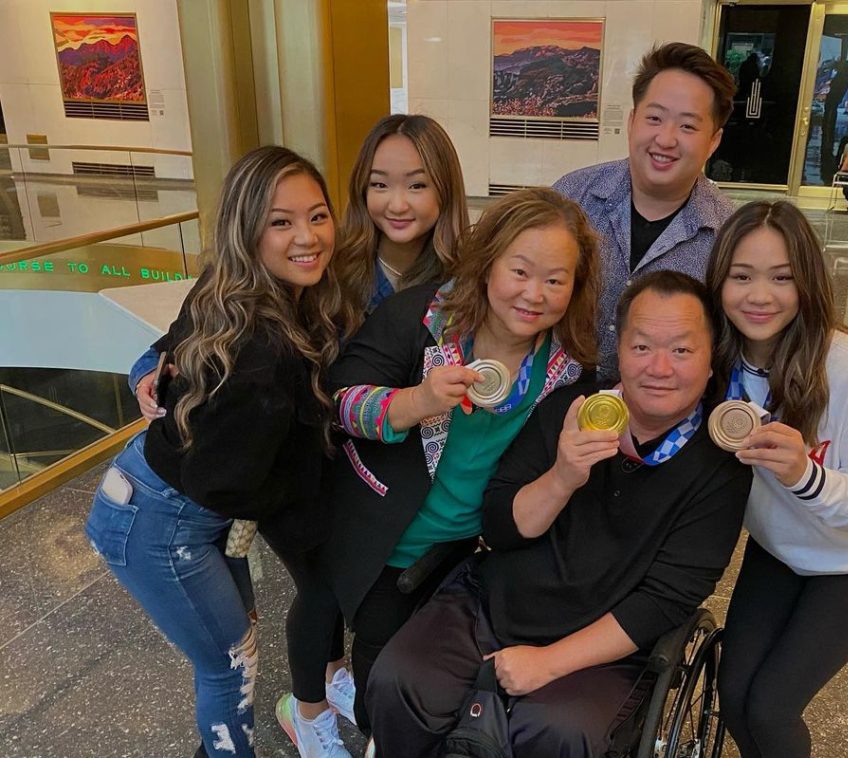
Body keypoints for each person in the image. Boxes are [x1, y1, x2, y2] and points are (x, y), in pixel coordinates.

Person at [126, 115, 470, 757]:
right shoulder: (322, 256)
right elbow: (203, 316)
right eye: (379, 183)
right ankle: (306, 711)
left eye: (418, 184)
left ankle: (337, 677)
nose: (397, 202)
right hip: (301, 463)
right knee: (325, 587)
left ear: (446, 191)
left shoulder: (462, 279)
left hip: (398, 470)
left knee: (373, 592)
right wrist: (149, 369)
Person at [365, 271, 751, 757]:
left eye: (681, 350)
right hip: (493, 605)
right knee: (400, 680)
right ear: (620, 352)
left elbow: (665, 599)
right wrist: (563, 476)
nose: (659, 367)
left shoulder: (719, 467)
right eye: (641, 347)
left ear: (711, 361)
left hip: (602, 645)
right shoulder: (572, 406)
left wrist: (549, 662)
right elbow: (501, 524)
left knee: (557, 730)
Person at [83, 146, 344, 758]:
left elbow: (170, 344)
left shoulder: (239, 287)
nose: (307, 237)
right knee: (230, 662)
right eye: (280, 222)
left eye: (318, 215)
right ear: (246, 230)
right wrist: (300, 479)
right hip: (161, 520)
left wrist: (148, 368)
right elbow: (221, 483)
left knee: (235, 641)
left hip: (163, 498)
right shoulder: (262, 348)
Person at [317, 187, 602, 735]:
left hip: (473, 555)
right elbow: (338, 403)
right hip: (386, 544)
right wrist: (416, 401)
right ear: (488, 262)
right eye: (520, 271)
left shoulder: (568, 366)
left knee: (438, 684)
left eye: (555, 279)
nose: (534, 294)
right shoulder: (424, 318)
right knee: (382, 684)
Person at [708, 201, 848, 758]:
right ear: (718, 281)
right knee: (733, 697)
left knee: (772, 709)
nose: (760, 295)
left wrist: (807, 474)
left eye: (783, 277)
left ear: (809, 283)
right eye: (741, 276)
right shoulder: (713, 365)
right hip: (778, 549)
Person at [554, 42, 736, 378]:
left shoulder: (728, 236)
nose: (665, 139)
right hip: (551, 403)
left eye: (688, 127)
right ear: (633, 120)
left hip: (665, 415)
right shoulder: (571, 197)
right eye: (654, 118)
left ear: (713, 141)